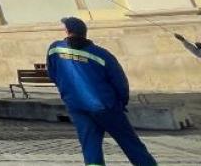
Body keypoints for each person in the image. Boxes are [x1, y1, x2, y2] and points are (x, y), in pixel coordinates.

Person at [46, 17, 157, 166]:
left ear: (67, 31)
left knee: (90, 146)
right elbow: (120, 82)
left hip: (76, 105)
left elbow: (53, 74)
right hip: (105, 105)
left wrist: (67, 93)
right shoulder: (101, 54)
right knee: (130, 143)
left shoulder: (55, 49)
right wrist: (121, 102)